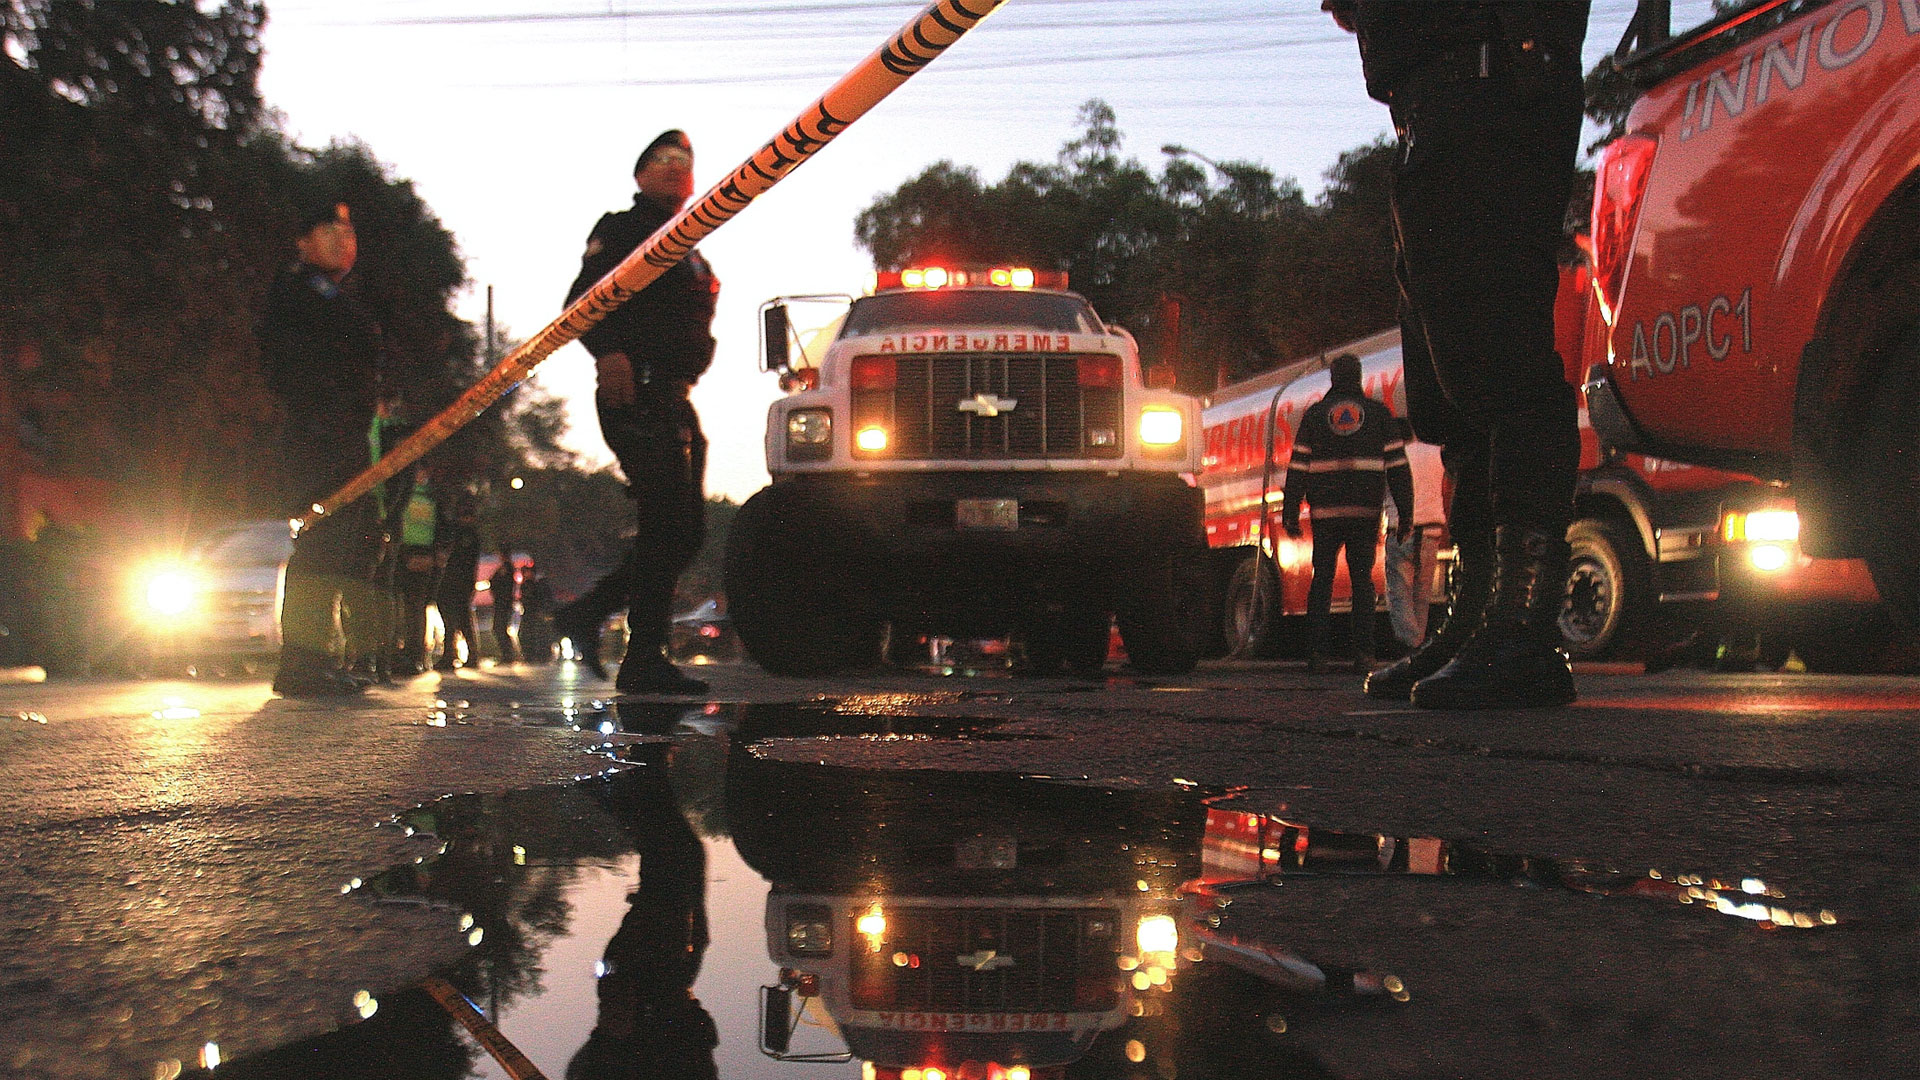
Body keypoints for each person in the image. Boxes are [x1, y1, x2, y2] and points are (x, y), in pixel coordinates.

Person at [1325, 1, 1589, 708]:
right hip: (1439, 96)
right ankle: (1478, 617)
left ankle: (1523, 630)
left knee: (1500, 357)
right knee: (1449, 387)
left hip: (1490, 80)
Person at [553, 129, 718, 695]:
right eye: (662, 159)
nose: (675, 167)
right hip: (635, 392)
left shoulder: (690, 244)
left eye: (684, 161)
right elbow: (581, 302)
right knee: (666, 522)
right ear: (640, 175)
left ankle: (588, 614)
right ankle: (644, 656)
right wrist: (609, 352)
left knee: (684, 532)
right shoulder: (624, 229)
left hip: (674, 396)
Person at [259, 202, 384, 697]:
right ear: (303, 241)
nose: (342, 240)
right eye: (329, 230)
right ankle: (301, 665)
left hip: (343, 435)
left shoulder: (332, 294)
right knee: (321, 543)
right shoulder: (297, 290)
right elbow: (291, 367)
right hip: (316, 436)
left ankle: (320, 659)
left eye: (349, 232)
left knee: (344, 547)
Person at [1280, 353, 1413, 673]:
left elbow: (1297, 467)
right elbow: (1398, 469)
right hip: (1364, 513)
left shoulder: (1314, 416)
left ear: (1332, 378)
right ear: (1359, 377)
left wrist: (1290, 512)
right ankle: (1364, 655)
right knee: (1362, 582)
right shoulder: (1379, 415)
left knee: (1322, 581)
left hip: (1325, 515)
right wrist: (1405, 513)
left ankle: (1317, 655)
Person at [1382, 420, 1447, 652]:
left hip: (1401, 530)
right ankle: (1420, 648)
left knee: (1400, 594)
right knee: (1422, 595)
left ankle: (1410, 646)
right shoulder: (1435, 453)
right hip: (1432, 530)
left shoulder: (1392, 458)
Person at [388, 463, 440, 674]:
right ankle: (415, 655)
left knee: (402, 605)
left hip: (405, 551)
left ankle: (403, 653)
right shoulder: (432, 496)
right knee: (415, 607)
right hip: (422, 553)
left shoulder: (403, 493)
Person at [433, 492, 481, 671]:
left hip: (457, 580)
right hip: (460, 580)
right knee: (459, 618)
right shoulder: (467, 533)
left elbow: (461, 557)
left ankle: (453, 654)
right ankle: (466, 654)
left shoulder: (464, 534)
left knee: (455, 618)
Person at [488, 548, 519, 663]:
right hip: (503, 602)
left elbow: (501, 584)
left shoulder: (506, 567)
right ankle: (507, 654)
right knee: (499, 628)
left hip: (503, 603)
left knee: (499, 628)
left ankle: (508, 654)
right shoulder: (507, 567)